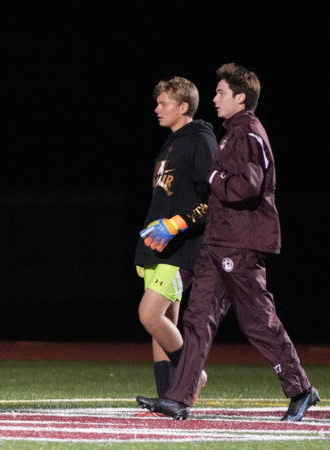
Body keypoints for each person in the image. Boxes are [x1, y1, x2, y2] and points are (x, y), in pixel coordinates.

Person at [136, 63, 320, 421]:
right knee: (197, 320)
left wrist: (212, 176)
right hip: (217, 242)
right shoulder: (229, 133)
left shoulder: (248, 132)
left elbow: (246, 185)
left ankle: (300, 388)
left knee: (257, 320)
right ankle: (179, 398)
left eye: (220, 93)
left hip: (240, 242)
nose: (214, 98)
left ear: (240, 97)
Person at [135, 77, 216, 402]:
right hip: (158, 247)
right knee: (162, 323)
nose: (157, 109)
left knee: (149, 315)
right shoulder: (171, 143)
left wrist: (177, 224)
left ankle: (194, 374)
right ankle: (169, 397)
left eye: (163, 103)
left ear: (183, 107)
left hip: (182, 247)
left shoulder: (201, 141)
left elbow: (213, 198)